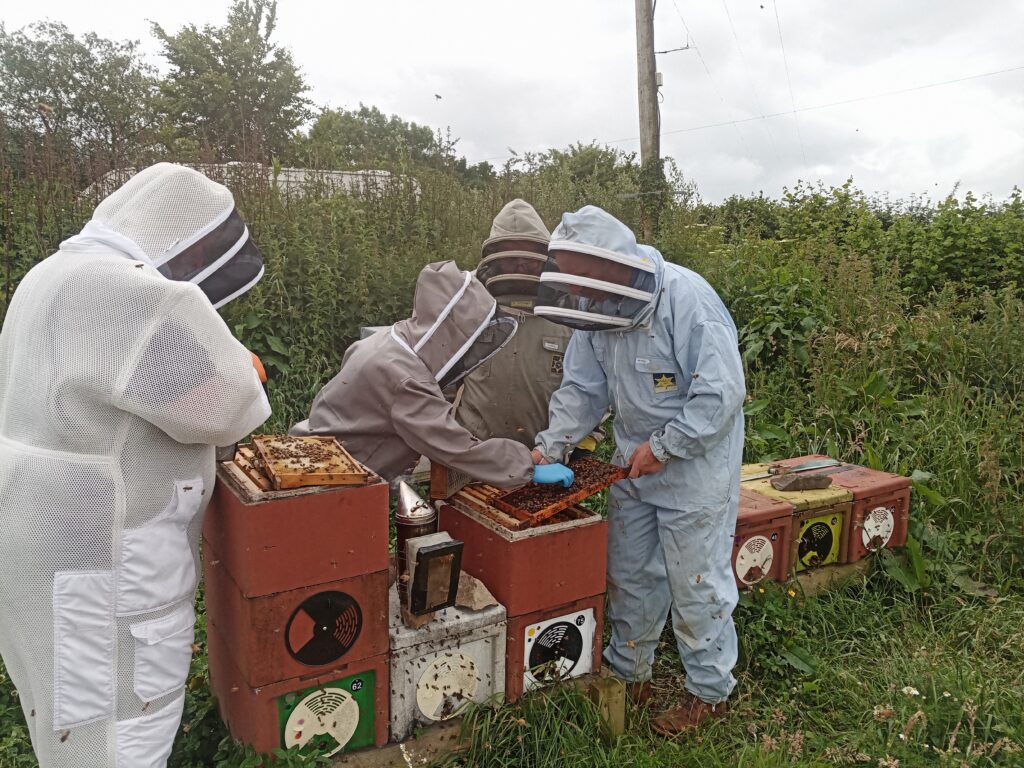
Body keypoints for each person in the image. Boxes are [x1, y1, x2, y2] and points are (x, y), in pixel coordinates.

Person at [0, 163, 272, 768]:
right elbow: (230, 405)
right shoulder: (133, 292)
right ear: (186, 237)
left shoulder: (48, 277)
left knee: (63, 725)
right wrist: (243, 367)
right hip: (107, 574)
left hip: (42, 550)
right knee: (122, 739)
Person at [532, 206, 745, 734]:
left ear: (616, 266)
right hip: (632, 467)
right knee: (630, 577)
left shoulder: (689, 302)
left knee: (697, 584)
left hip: (693, 469)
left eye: (591, 283)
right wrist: (551, 447)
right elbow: (583, 389)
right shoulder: (594, 312)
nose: (586, 297)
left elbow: (721, 395)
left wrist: (666, 447)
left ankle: (709, 693)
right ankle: (630, 676)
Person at [291, 260, 574, 489]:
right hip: (333, 481)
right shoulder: (404, 380)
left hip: (313, 456)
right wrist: (527, 465)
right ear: (451, 330)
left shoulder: (385, 340)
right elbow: (455, 448)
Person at [454, 199, 573, 446]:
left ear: (544, 255)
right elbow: (440, 380)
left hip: (546, 455)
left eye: (528, 256)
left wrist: (580, 444)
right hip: (472, 455)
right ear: (495, 257)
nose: (520, 264)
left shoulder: (569, 307)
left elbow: (587, 386)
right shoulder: (465, 301)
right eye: (511, 255)